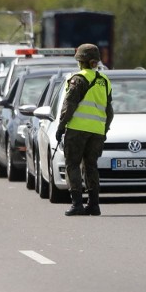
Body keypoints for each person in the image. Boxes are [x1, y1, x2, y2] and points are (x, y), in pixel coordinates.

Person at [55, 44, 113, 216]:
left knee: (72, 165)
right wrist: (104, 130)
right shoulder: (105, 81)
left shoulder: (78, 79)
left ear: (80, 61)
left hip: (77, 130)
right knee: (91, 166)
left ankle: (77, 204)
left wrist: (60, 127)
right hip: (97, 132)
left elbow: (69, 106)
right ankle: (94, 205)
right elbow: (109, 111)